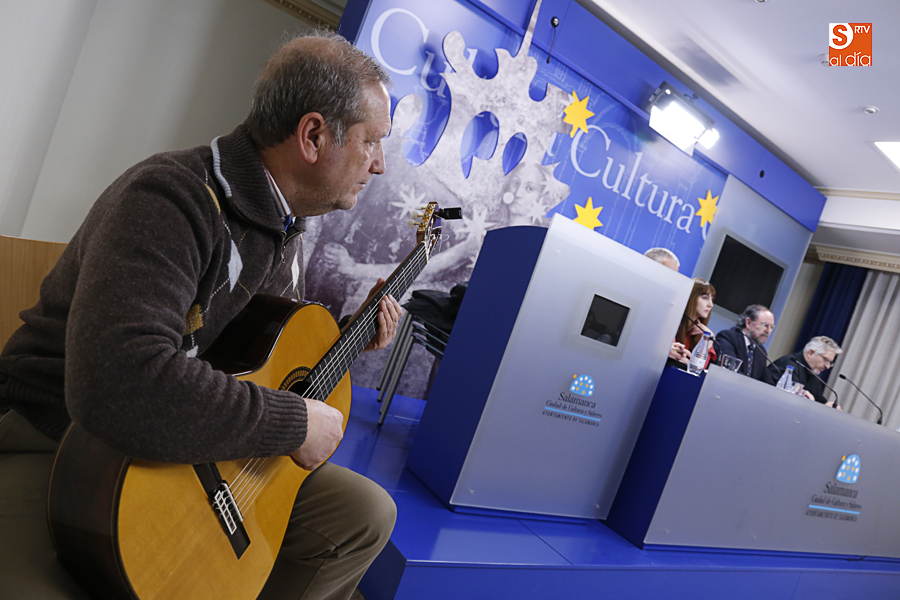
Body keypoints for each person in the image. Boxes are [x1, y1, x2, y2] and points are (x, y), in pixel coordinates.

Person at [0, 31, 402, 600]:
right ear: (313, 136)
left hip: (182, 443)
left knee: (363, 513)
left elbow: (251, 355)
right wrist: (293, 423)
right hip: (56, 438)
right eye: (372, 141)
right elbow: (119, 385)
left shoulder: (285, 226)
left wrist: (349, 338)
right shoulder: (170, 199)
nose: (379, 165)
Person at [767, 336, 843, 408]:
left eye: (830, 363)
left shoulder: (814, 374)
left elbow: (818, 399)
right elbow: (790, 397)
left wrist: (829, 407)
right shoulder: (789, 364)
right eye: (826, 360)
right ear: (811, 353)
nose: (828, 366)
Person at [716, 304, 775, 381]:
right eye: (765, 325)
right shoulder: (728, 337)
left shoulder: (761, 352)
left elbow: (767, 382)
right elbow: (730, 370)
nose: (768, 331)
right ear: (748, 323)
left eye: (771, 327)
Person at [670, 278, 716, 368]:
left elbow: (698, 368)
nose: (710, 305)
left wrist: (709, 338)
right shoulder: (671, 322)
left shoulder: (701, 331)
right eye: (705, 298)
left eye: (712, 299)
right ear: (691, 297)